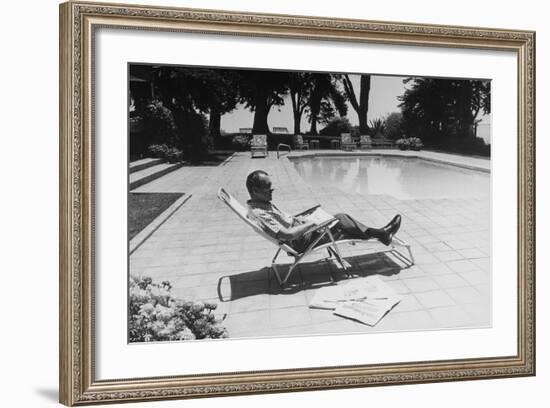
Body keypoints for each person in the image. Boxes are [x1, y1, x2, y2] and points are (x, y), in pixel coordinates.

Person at [245, 170, 402, 252]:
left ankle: (378, 233)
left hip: (302, 231)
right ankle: (381, 233)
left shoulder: (261, 204)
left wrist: (303, 219)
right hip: (301, 241)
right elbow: (288, 235)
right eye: (267, 187)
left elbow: (285, 225)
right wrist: (311, 223)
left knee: (343, 225)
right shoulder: (260, 212)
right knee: (341, 220)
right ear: (255, 190)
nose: (272, 189)